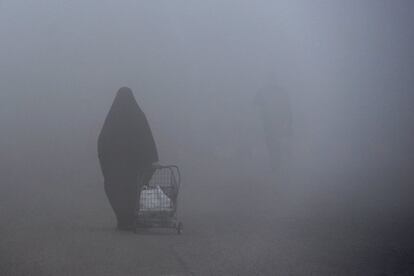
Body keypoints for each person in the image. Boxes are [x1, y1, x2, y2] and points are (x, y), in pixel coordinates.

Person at [98, 87, 159, 230]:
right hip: (135, 167)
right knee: (135, 187)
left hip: (115, 169)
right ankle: (132, 217)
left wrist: (107, 163)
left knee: (116, 189)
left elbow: (102, 142)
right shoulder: (138, 116)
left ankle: (123, 219)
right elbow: (147, 139)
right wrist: (151, 159)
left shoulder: (112, 119)